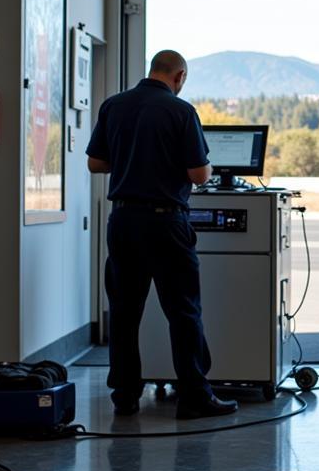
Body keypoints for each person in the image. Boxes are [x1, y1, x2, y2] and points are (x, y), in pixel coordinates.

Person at [86, 50, 237, 419]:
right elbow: (199, 174)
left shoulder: (114, 105)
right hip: (166, 222)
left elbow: (95, 163)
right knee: (183, 311)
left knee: (123, 312)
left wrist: (131, 159)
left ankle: (124, 397)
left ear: (152, 69)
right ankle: (194, 398)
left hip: (122, 222)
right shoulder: (180, 111)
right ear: (179, 76)